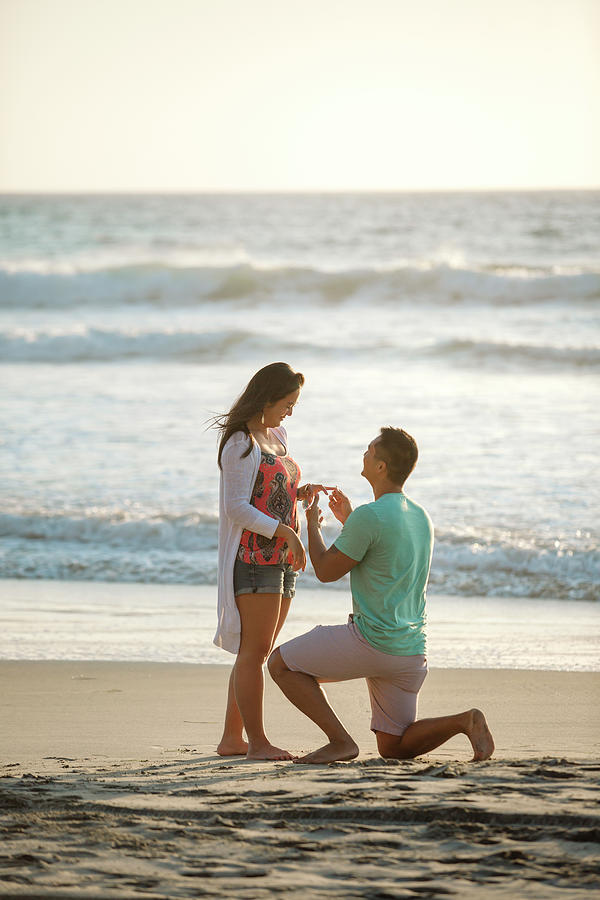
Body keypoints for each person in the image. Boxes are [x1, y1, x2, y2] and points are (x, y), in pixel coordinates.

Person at [268, 427, 495, 764]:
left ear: (381, 467)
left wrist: (312, 522)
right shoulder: (420, 516)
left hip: (372, 641)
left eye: (370, 450)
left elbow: (327, 572)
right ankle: (465, 721)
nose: (366, 452)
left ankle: (340, 741)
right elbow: (384, 555)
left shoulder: (369, 516)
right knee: (394, 747)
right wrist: (349, 520)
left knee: (279, 664)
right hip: (410, 651)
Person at [213, 362, 330, 760]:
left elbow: (269, 491)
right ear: (266, 398)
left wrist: (300, 495)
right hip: (254, 558)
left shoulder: (276, 434)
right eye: (287, 402)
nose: (291, 411)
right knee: (254, 653)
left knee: (257, 651)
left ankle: (232, 739)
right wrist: (286, 532)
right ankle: (257, 743)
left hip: (283, 558)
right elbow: (237, 509)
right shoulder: (240, 444)